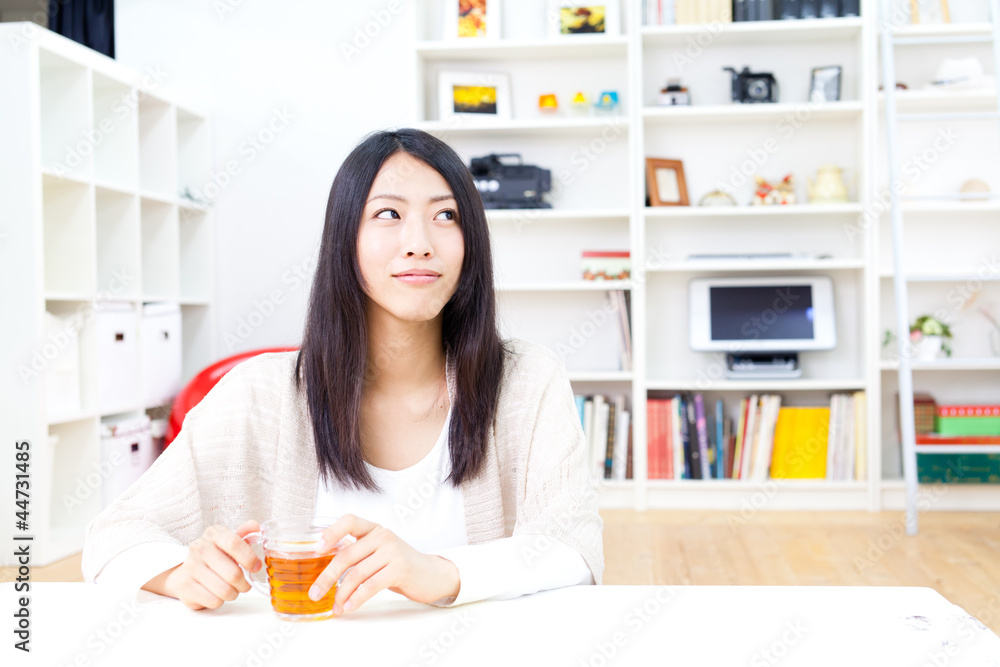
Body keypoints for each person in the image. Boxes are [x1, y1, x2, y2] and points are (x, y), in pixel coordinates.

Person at [81, 128, 604, 614]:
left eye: (446, 216)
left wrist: (437, 572)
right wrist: (179, 574)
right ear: (344, 240)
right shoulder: (260, 395)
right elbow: (115, 536)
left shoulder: (526, 381)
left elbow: (574, 548)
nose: (420, 241)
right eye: (388, 215)